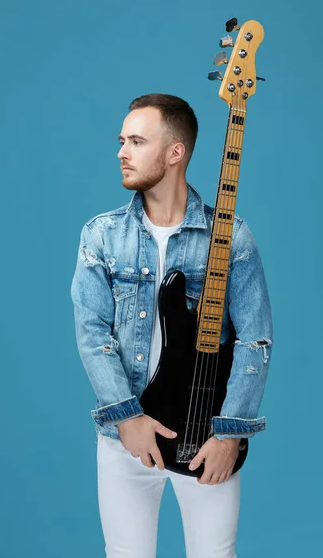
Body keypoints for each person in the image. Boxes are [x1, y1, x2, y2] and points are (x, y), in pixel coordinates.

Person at [70, 93, 273, 558]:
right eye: (122, 141)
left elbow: (254, 340)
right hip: (128, 435)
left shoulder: (231, 236)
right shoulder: (101, 236)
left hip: (207, 433)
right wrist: (127, 418)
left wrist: (230, 432)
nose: (122, 151)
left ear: (175, 152)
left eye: (137, 141)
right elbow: (93, 335)